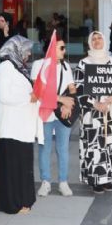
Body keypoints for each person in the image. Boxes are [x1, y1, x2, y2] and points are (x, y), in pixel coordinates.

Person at [74, 31, 112, 194]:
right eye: (93, 39)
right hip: (92, 113)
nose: (96, 41)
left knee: (110, 143)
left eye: (99, 38)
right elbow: (79, 89)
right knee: (94, 145)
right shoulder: (84, 63)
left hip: (110, 111)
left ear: (104, 40)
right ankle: (95, 179)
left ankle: (107, 178)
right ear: (90, 43)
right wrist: (95, 103)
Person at [0, 36, 40, 214]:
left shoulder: (18, 67)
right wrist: (29, 98)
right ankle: (13, 203)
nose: (28, 54)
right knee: (12, 167)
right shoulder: (5, 67)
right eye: (26, 50)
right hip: (11, 128)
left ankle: (23, 201)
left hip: (21, 126)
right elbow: (4, 95)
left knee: (22, 165)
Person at [31, 34, 77, 197]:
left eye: (64, 47)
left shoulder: (66, 66)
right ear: (52, 48)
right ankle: (46, 182)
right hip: (45, 112)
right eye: (61, 47)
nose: (64, 50)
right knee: (45, 148)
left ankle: (63, 181)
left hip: (62, 113)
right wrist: (61, 99)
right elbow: (38, 91)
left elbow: (72, 89)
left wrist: (68, 105)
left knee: (63, 148)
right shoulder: (39, 65)